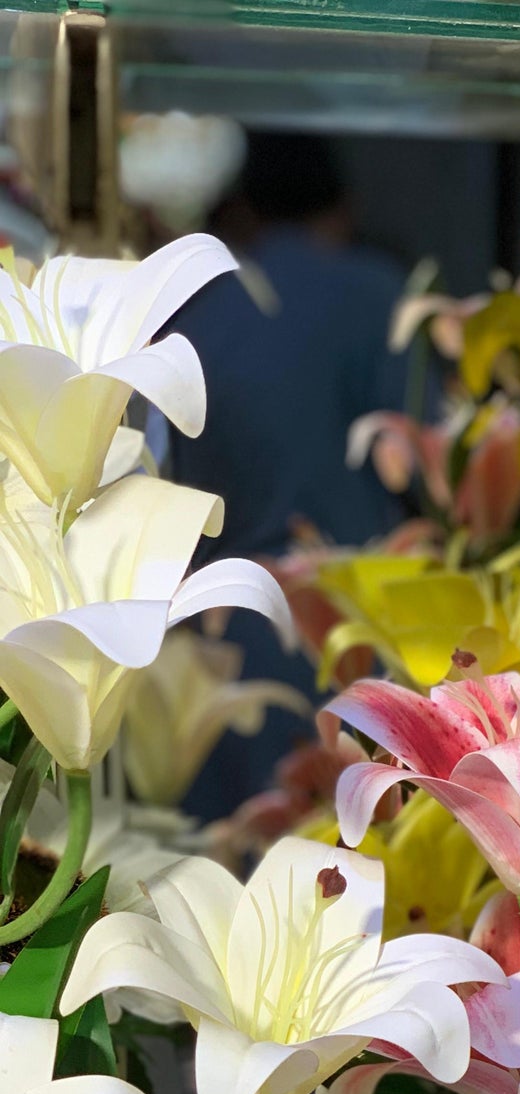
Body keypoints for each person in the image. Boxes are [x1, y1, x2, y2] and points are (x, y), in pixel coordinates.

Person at [168, 131, 409, 816]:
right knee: (367, 840)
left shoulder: (194, 309)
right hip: (363, 620)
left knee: (237, 846)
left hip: (227, 632)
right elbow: (418, 471)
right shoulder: (377, 293)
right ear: (342, 206)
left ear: (244, 207)